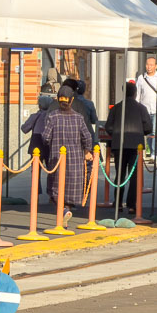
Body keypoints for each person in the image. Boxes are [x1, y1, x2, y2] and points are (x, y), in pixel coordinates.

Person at [41, 84, 94, 221]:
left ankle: (63, 212)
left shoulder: (52, 117)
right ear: (71, 101)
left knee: (55, 190)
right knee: (70, 191)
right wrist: (87, 151)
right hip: (75, 162)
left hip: (56, 159)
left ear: (58, 100)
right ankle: (66, 212)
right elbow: (87, 137)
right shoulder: (78, 118)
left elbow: (45, 137)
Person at [104, 81, 152, 213]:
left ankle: (118, 203)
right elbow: (148, 127)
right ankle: (132, 205)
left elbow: (108, 127)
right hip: (136, 145)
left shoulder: (116, 108)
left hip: (119, 144)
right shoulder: (141, 108)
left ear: (123, 92)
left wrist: (116, 133)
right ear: (135, 93)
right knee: (134, 176)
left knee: (120, 175)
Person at [135, 56, 157, 162]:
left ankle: (155, 154)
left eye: (151, 65)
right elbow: (138, 94)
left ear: (156, 66)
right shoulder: (141, 78)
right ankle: (152, 152)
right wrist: (136, 108)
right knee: (148, 132)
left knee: (155, 131)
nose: (148, 67)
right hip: (145, 109)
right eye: (147, 64)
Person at [22, 93, 55, 191]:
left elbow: (24, 129)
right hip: (49, 143)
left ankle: (36, 190)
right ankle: (51, 189)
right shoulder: (52, 116)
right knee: (51, 169)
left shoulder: (35, 116)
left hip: (36, 143)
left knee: (36, 169)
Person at [67, 77, 99, 145]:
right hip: (87, 132)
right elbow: (94, 120)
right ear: (84, 90)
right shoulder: (89, 104)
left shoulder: (69, 103)